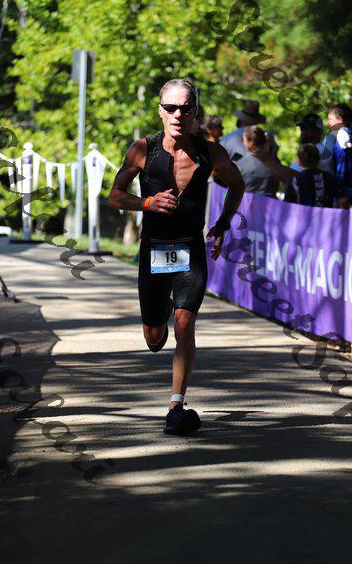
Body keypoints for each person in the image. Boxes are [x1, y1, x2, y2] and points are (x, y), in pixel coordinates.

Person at [107, 78, 245, 436]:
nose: (178, 114)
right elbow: (115, 195)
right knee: (154, 338)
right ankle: (161, 312)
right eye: (170, 108)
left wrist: (222, 224)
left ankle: (175, 404)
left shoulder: (211, 153)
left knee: (185, 323)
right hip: (155, 248)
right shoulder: (143, 149)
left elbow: (237, 184)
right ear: (160, 111)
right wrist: (146, 203)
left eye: (185, 108)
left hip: (190, 248)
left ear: (194, 112)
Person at [323, 104, 352, 206]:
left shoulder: (331, 139)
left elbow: (325, 168)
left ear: (339, 119)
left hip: (338, 198)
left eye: (330, 119)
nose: (328, 122)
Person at [285, 144, 348, 208]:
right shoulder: (329, 178)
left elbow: (287, 206)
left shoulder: (293, 181)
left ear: (298, 162)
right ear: (318, 161)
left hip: (301, 214)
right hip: (325, 214)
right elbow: (343, 201)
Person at [220, 100, 266, 169]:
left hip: (236, 175)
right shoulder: (267, 137)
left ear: (241, 119)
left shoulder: (227, 138)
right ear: (257, 120)